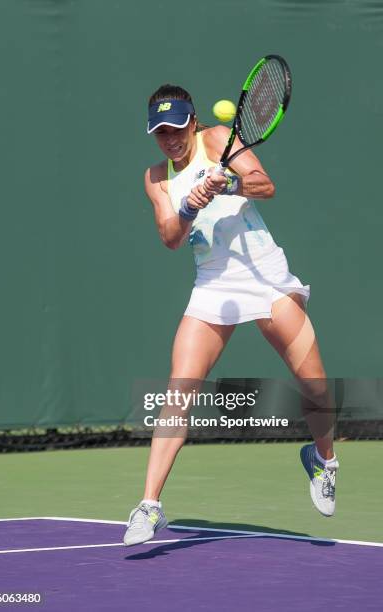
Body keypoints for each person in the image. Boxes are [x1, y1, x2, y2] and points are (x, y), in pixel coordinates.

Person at [123, 84, 339, 547]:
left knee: (316, 385)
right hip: (212, 287)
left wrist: (231, 183)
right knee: (178, 389)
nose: (170, 139)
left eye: (177, 128)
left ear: (193, 121)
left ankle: (323, 459)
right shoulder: (155, 176)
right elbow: (170, 237)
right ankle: (149, 504)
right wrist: (187, 205)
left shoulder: (220, 138)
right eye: (160, 132)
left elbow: (266, 185)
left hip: (266, 277)